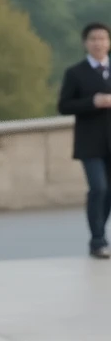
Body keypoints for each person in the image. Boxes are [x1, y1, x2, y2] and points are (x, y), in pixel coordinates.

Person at [58, 21, 111, 258]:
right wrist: (93, 102)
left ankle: (100, 231)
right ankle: (97, 240)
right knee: (98, 188)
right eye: (93, 39)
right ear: (85, 43)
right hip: (90, 142)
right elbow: (63, 105)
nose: (98, 43)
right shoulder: (75, 73)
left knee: (109, 192)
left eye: (102, 38)